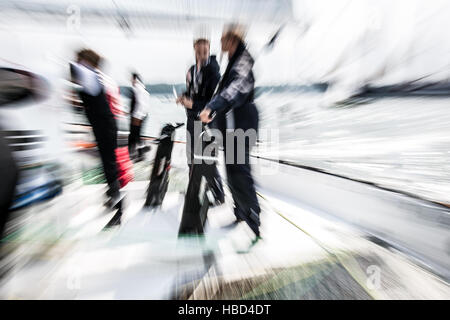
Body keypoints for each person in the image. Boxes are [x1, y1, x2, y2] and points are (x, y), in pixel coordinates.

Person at [199, 24, 261, 240]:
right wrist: (211, 108)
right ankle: (241, 212)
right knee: (232, 169)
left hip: (242, 124)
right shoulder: (235, 60)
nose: (220, 43)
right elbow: (226, 91)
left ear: (232, 40)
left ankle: (253, 218)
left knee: (239, 170)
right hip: (234, 124)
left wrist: (213, 107)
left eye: (223, 39)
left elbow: (235, 88)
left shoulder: (242, 62)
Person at [69, 49, 121, 208]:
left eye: (79, 60)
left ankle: (115, 198)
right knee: (107, 161)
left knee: (108, 161)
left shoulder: (88, 74)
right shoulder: (94, 76)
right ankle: (113, 194)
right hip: (104, 124)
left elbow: (73, 68)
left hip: (104, 125)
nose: (76, 62)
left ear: (86, 61)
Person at [177, 38, 221, 172]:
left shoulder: (214, 72)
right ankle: (193, 189)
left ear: (209, 51)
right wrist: (184, 97)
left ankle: (211, 190)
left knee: (208, 161)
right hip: (191, 119)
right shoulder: (192, 70)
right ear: (194, 51)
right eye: (198, 52)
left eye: (204, 52)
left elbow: (215, 101)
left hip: (207, 122)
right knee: (191, 158)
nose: (201, 55)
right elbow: (193, 91)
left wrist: (194, 104)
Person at [128, 73, 150, 161]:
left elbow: (140, 104)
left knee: (135, 135)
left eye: (131, 79)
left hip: (138, 116)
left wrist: (137, 117)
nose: (130, 81)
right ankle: (135, 153)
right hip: (141, 115)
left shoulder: (138, 88)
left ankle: (139, 154)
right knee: (135, 135)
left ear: (135, 79)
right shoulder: (142, 88)